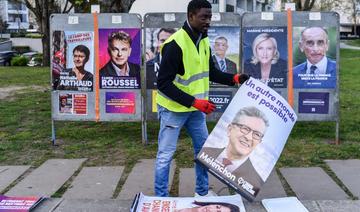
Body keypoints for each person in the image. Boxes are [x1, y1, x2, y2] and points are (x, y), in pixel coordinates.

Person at [155, 0, 249, 197]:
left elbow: (210, 72)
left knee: (204, 154)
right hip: (174, 110)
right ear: (190, 16)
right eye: (203, 17)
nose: (208, 21)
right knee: (165, 156)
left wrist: (233, 78)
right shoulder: (174, 45)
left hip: (195, 111)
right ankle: (161, 197)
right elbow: (163, 84)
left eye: (210, 17)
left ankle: (202, 193)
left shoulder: (203, 39)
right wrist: (194, 102)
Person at [201, 106, 269, 196]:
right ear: (230, 129)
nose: (248, 137)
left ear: (259, 142)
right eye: (245, 128)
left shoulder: (255, 181)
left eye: (257, 134)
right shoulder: (205, 153)